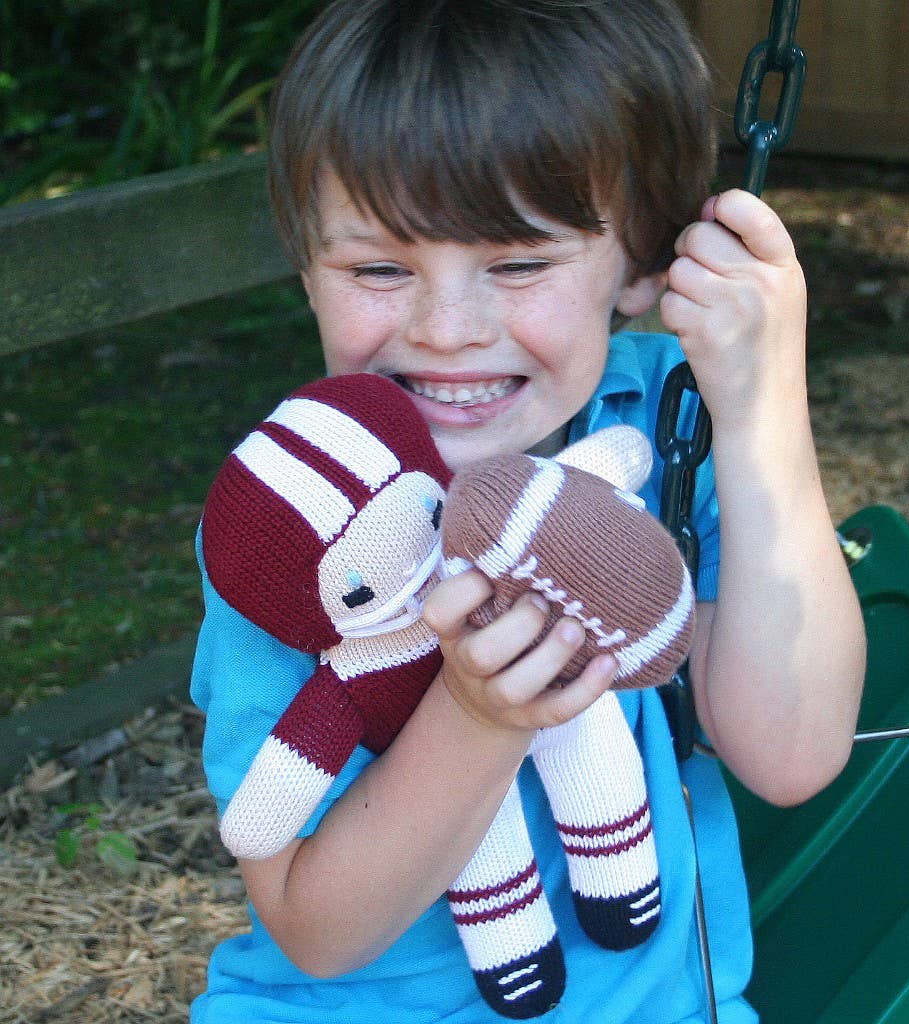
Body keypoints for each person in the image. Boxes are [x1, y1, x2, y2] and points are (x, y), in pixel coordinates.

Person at [189, 2, 867, 1022]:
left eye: (516, 264)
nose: (446, 330)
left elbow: (790, 750)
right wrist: (477, 715)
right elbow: (318, 930)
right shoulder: (297, 515)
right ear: (307, 268)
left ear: (643, 264)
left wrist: (764, 403)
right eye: (378, 267)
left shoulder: (663, 427)